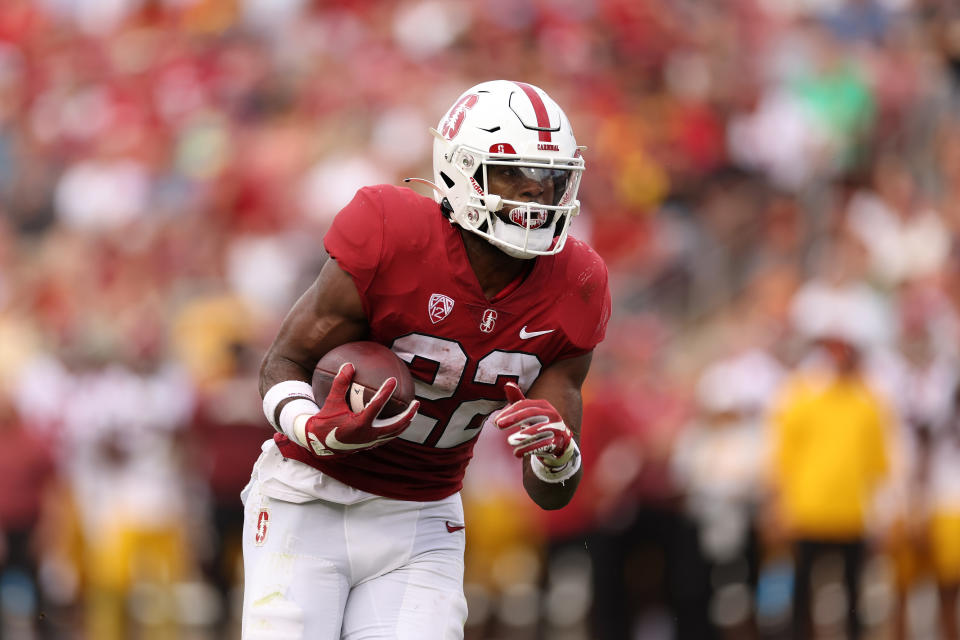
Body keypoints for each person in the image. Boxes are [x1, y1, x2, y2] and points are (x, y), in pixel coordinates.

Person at [241, 80, 611, 639]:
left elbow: (552, 492)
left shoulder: (578, 282)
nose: (535, 198)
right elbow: (284, 361)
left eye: (550, 180)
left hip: (420, 517)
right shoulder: (392, 231)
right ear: (460, 170)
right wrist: (311, 426)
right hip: (307, 494)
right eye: (514, 175)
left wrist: (559, 458)